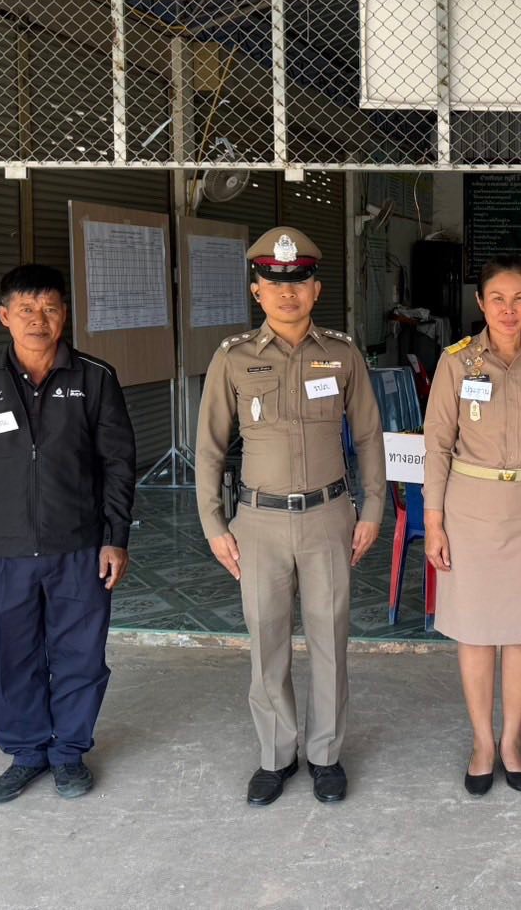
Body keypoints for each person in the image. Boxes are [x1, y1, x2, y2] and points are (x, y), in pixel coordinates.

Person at [194, 227, 386, 806]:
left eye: (298, 280)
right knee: (267, 641)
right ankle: (276, 755)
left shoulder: (343, 353)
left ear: (315, 288)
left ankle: (325, 754)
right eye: (274, 282)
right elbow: (210, 448)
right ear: (257, 290)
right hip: (260, 524)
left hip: (329, 516)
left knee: (330, 640)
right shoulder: (233, 358)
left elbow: (369, 436)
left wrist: (373, 508)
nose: (287, 292)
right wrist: (213, 524)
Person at [0, 264, 136, 803]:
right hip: (3, 552)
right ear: (5, 316)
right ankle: (26, 753)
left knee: (81, 655)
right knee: (11, 658)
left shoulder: (94, 377)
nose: (38, 320)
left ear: (64, 314)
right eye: (26, 309)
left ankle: (69, 752)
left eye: (49, 308)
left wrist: (115, 536)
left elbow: (118, 464)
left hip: (80, 547)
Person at [422, 256, 521, 795]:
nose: (508, 310)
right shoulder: (456, 363)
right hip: (470, 510)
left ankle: (511, 741)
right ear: (480, 303)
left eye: (519, 298)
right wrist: (435, 523)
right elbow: (437, 446)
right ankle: (482, 743)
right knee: (474, 631)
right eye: (497, 299)